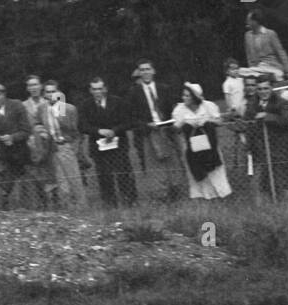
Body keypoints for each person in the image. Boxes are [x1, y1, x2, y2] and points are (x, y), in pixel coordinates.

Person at [125, 60, 181, 201]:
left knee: (171, 162)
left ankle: (175, 192)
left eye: (147, 69)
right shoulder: (134, 92)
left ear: (153, 71)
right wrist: (146, 124)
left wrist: (170, 123)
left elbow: (172, 110)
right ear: (139, 72)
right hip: (149, 132)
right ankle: (160, 195)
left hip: (166, 130)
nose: (145, 72)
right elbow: (131, 116)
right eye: (142, 70)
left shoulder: (164, 89)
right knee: (155, 165)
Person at [80, 76, 135, 207]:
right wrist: (99, 131)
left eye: (100, 89)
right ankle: (110, 203)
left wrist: (114, 131)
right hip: (99, 146)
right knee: (104, 175)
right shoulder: (85, 105)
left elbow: (128, 122)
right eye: (94, 89)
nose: (97, 92)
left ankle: (128, 201)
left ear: (105, 89)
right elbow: (82, 126)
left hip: (118, 145)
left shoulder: (117, 102)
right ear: (90, 90)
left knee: (123, 173)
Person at [172, 84, 230, 200]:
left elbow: (219, 121)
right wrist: (184, 123)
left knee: (216, 172)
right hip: (191, 146)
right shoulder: (179, 110)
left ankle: (221, 195)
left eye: (187, 96)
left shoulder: (208, 106)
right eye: (184, 95)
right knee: (196, 170)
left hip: (209, 144)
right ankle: (202, 196)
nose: (184, 98)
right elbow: (176, 128)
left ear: (194, 97)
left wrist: (207, 121)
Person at [42, 81, 86, 207]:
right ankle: (67, 209)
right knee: (61, 182)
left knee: (74, 179)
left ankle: (82, 207)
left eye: (53, 91)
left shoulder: (68, 108)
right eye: (48, 92)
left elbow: (77, 132)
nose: (51, 95)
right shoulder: (42, 109)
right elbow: (37, 122)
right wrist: (42, 131)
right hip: (52, 147)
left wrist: (74, 148)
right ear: (44, 94)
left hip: (66, 146)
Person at [245, 7, 288, 80]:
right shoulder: (248, 35)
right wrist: (252, 68)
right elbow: (249, 55)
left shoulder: (270, 34)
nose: (247, 22)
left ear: (255, 21)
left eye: (249, 20)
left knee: (276, 75)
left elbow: (281, 52)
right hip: (257, 68)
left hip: (272, 66)